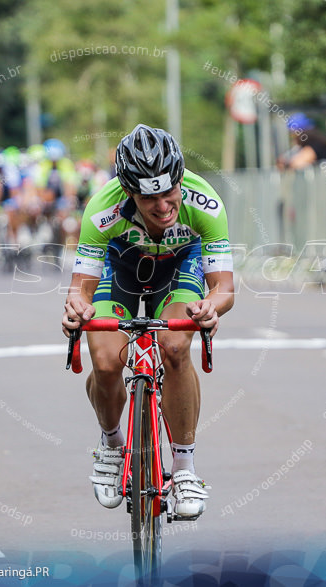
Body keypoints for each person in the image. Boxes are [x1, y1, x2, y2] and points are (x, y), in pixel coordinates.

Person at [61, 124, 235, 520]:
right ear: (127, 191)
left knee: (174, 347)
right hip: (118, 269)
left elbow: (223, 288)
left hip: (180, 267)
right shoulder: (101, 210)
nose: (162, 205)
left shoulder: (205, 203)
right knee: (104, 360)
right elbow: (80, 290)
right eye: (148, 196)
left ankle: (185, 469)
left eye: (168, 191)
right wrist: (77, 309)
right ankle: (111, 444)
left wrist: (211, 307)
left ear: (179, 179)